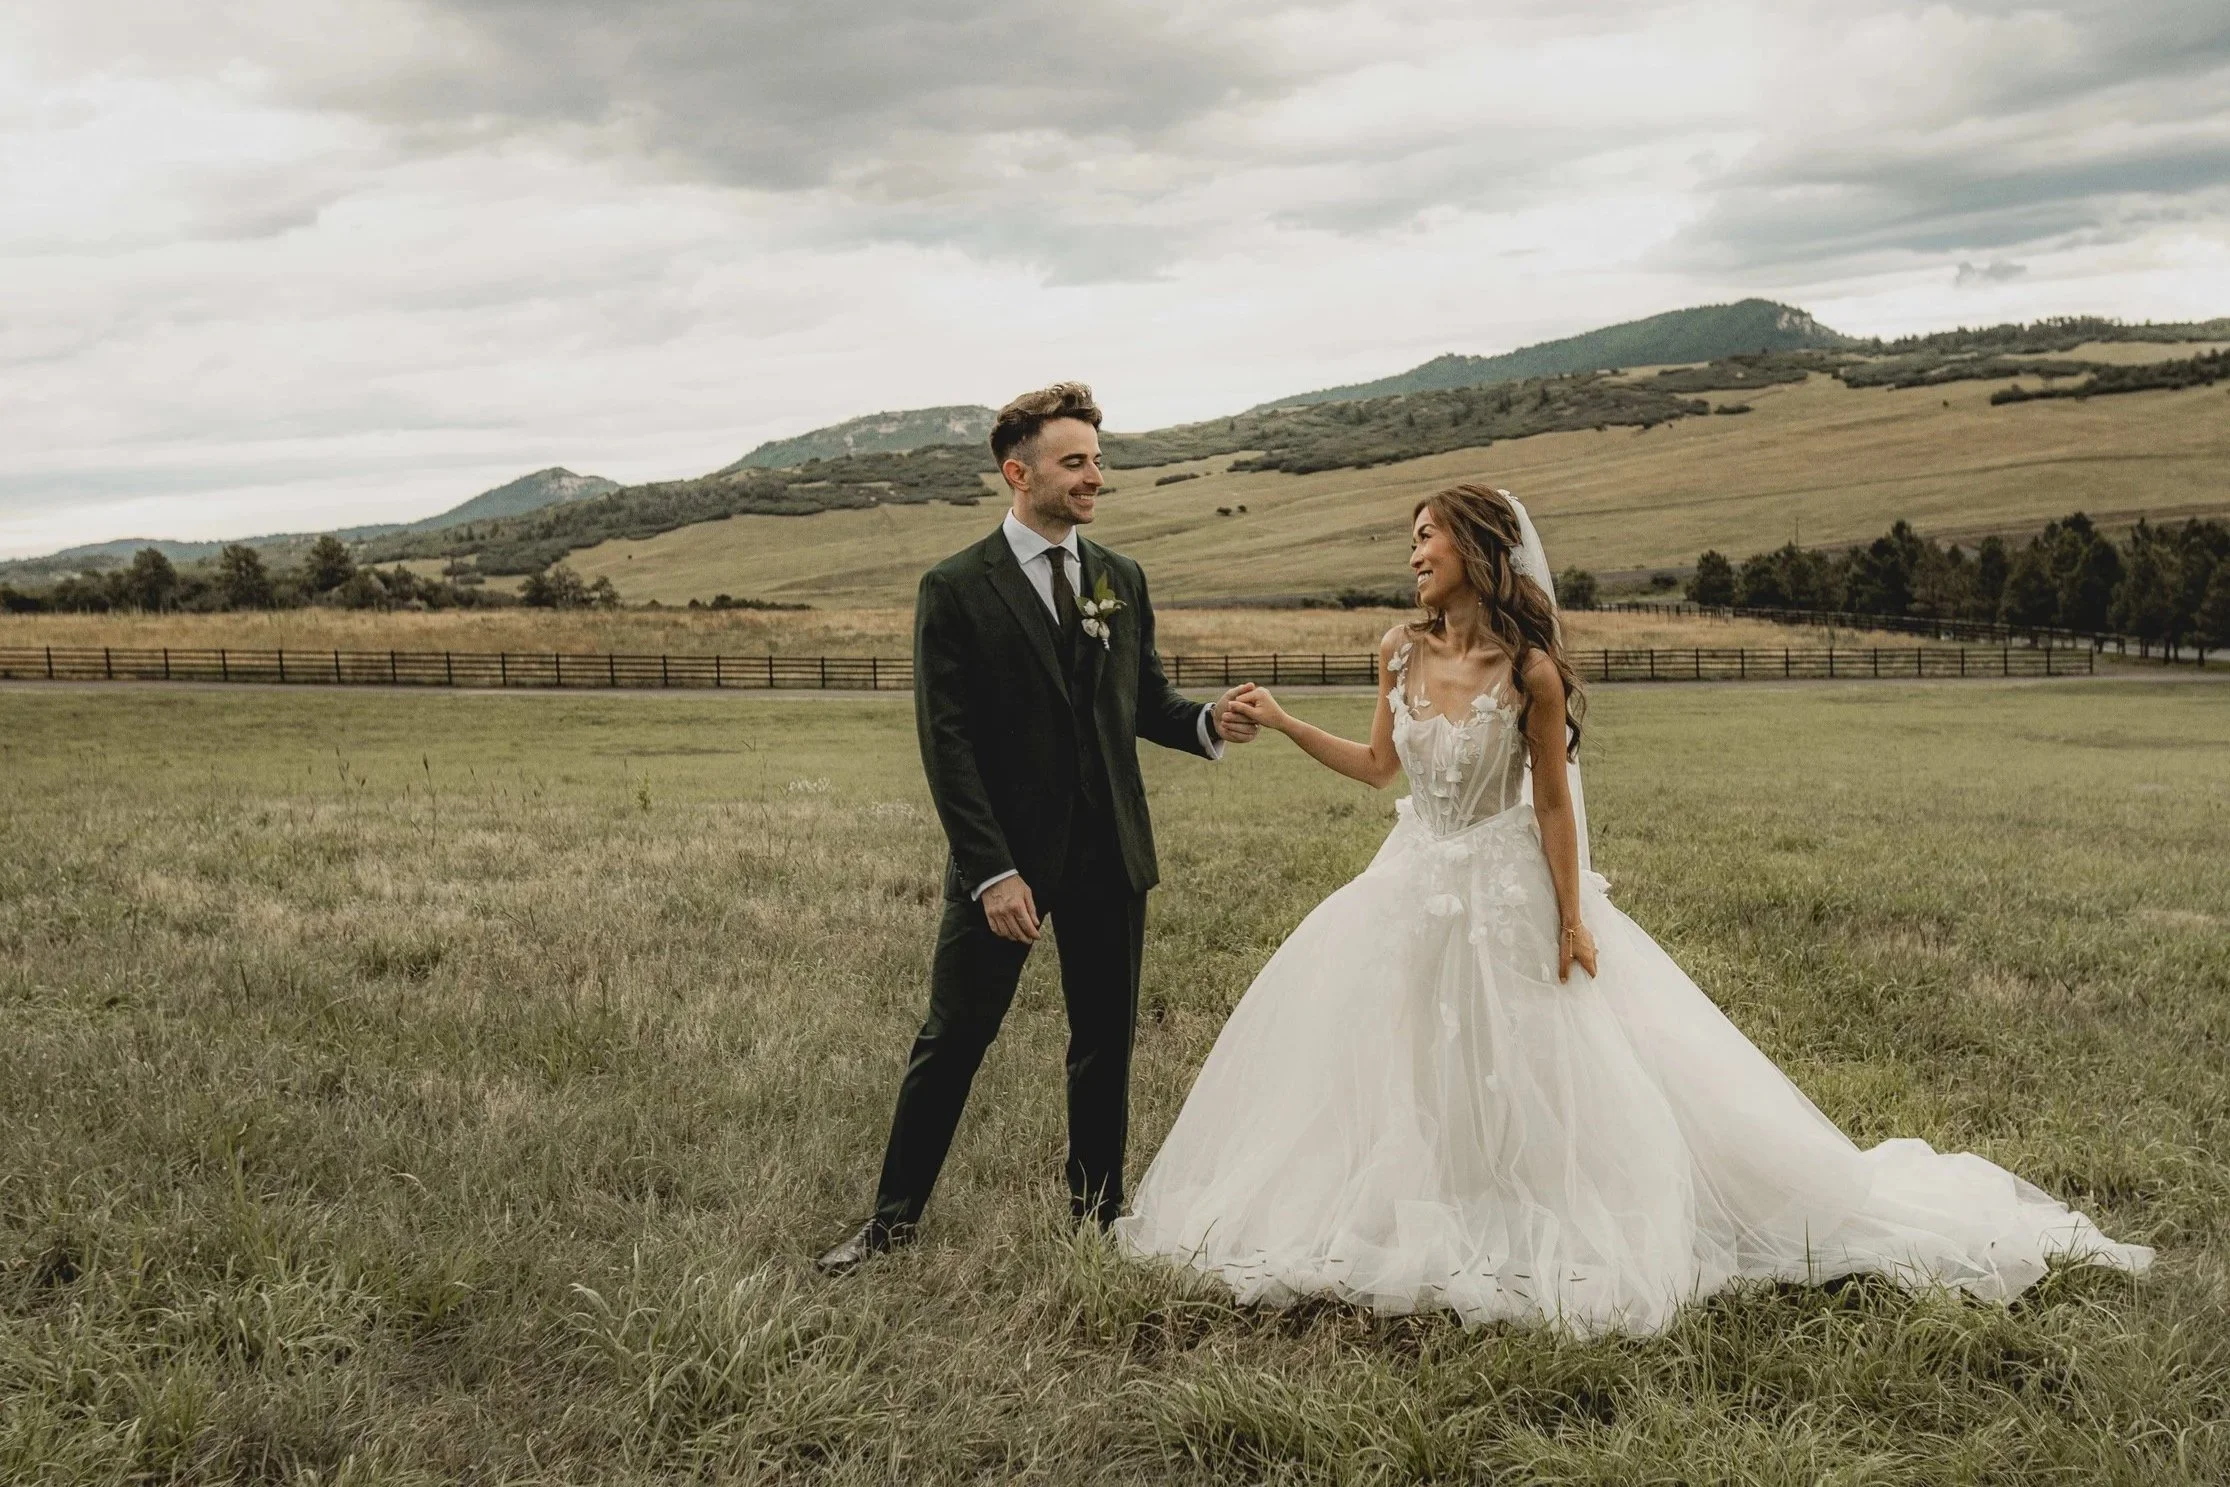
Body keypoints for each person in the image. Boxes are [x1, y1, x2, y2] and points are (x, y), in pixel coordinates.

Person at [1112, 483, 2152, 1335]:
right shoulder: (1396, 649)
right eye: (1410, 540)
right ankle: (1426, 1199)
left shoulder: (1530, 670)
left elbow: (1555, 802)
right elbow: (1381, 767)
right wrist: (1288, 720)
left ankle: (1532, 1205)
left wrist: (1571, 916)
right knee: (1403, 1055)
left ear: (1480, 548)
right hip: (1408, 883)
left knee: (1528, 1057)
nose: (1414, 553)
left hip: (1505, 885)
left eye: (1428, 536)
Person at [817, 382, 1258, 1277]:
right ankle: (892, 1222)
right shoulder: (953, 588)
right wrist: (991, 873)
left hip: (1109, 856)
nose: (1097, 476)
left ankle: (1096, 1221)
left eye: (1097, 458)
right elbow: (947, 745)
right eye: (1076, 461)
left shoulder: (1118, 579)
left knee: (1106, 1044)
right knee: (952, 1039)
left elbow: (1146, 702)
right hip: (1006, 868)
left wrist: (1209, 721)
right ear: (1018, 473)